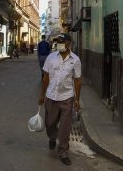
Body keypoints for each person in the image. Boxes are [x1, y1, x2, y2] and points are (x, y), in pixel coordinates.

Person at [38, 33, 82, 166]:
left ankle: (63, 151)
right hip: (51, 96)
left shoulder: (75, 60)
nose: (59, 44)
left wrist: (77, 100)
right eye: (57, 42)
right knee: (50, 123)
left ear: (69, 43)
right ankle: (52, 137)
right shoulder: (51, 58)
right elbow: (45, 77)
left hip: (66, 97)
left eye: (62, 42)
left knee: (65, 127)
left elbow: (78, 81)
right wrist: (42, 94)